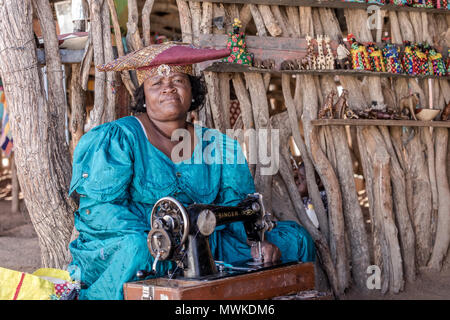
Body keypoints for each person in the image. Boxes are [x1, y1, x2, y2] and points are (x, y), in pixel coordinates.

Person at [68, 42, 315, 300]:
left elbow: (237, 206)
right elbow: (99, 211)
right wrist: (162, 239)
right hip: (137, 241)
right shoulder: (119, 138)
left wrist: (255, 242)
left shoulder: (219, 145)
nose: (168, 88)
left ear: (191, 90)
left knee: (294, 239)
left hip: (205, 242)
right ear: (143, 95)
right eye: (156, 83)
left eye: (178, 80)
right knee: (138, 251)